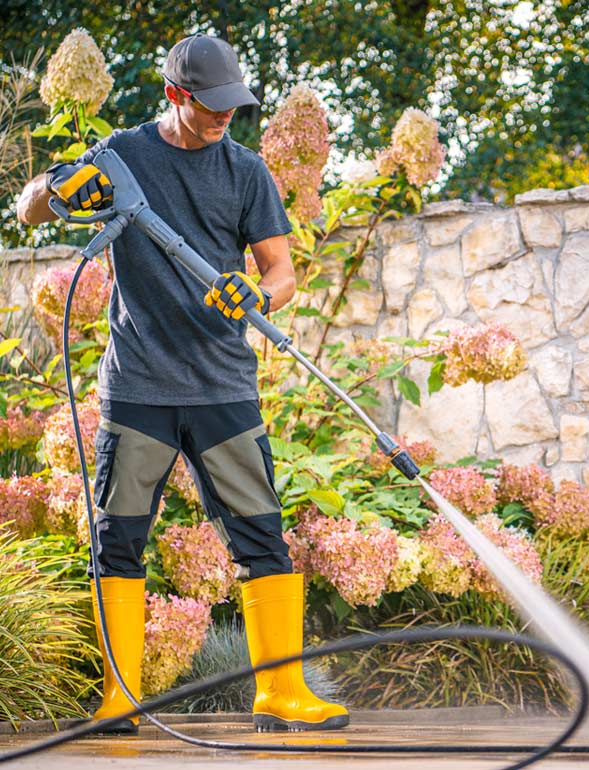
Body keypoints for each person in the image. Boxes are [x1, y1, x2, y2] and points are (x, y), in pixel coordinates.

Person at [17, 33, 349, 735]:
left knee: (261, 536)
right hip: (138, 385)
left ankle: (281, 692)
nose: (225, 116)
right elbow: (27, 210)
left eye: (234, 104)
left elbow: (283, 273)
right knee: (120, 538)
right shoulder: (124, 156)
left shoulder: (246, 171)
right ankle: (121, 699)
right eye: (211, 106)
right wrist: (58, 187)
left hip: (223, 382)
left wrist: (258, 295)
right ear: (175, 95)